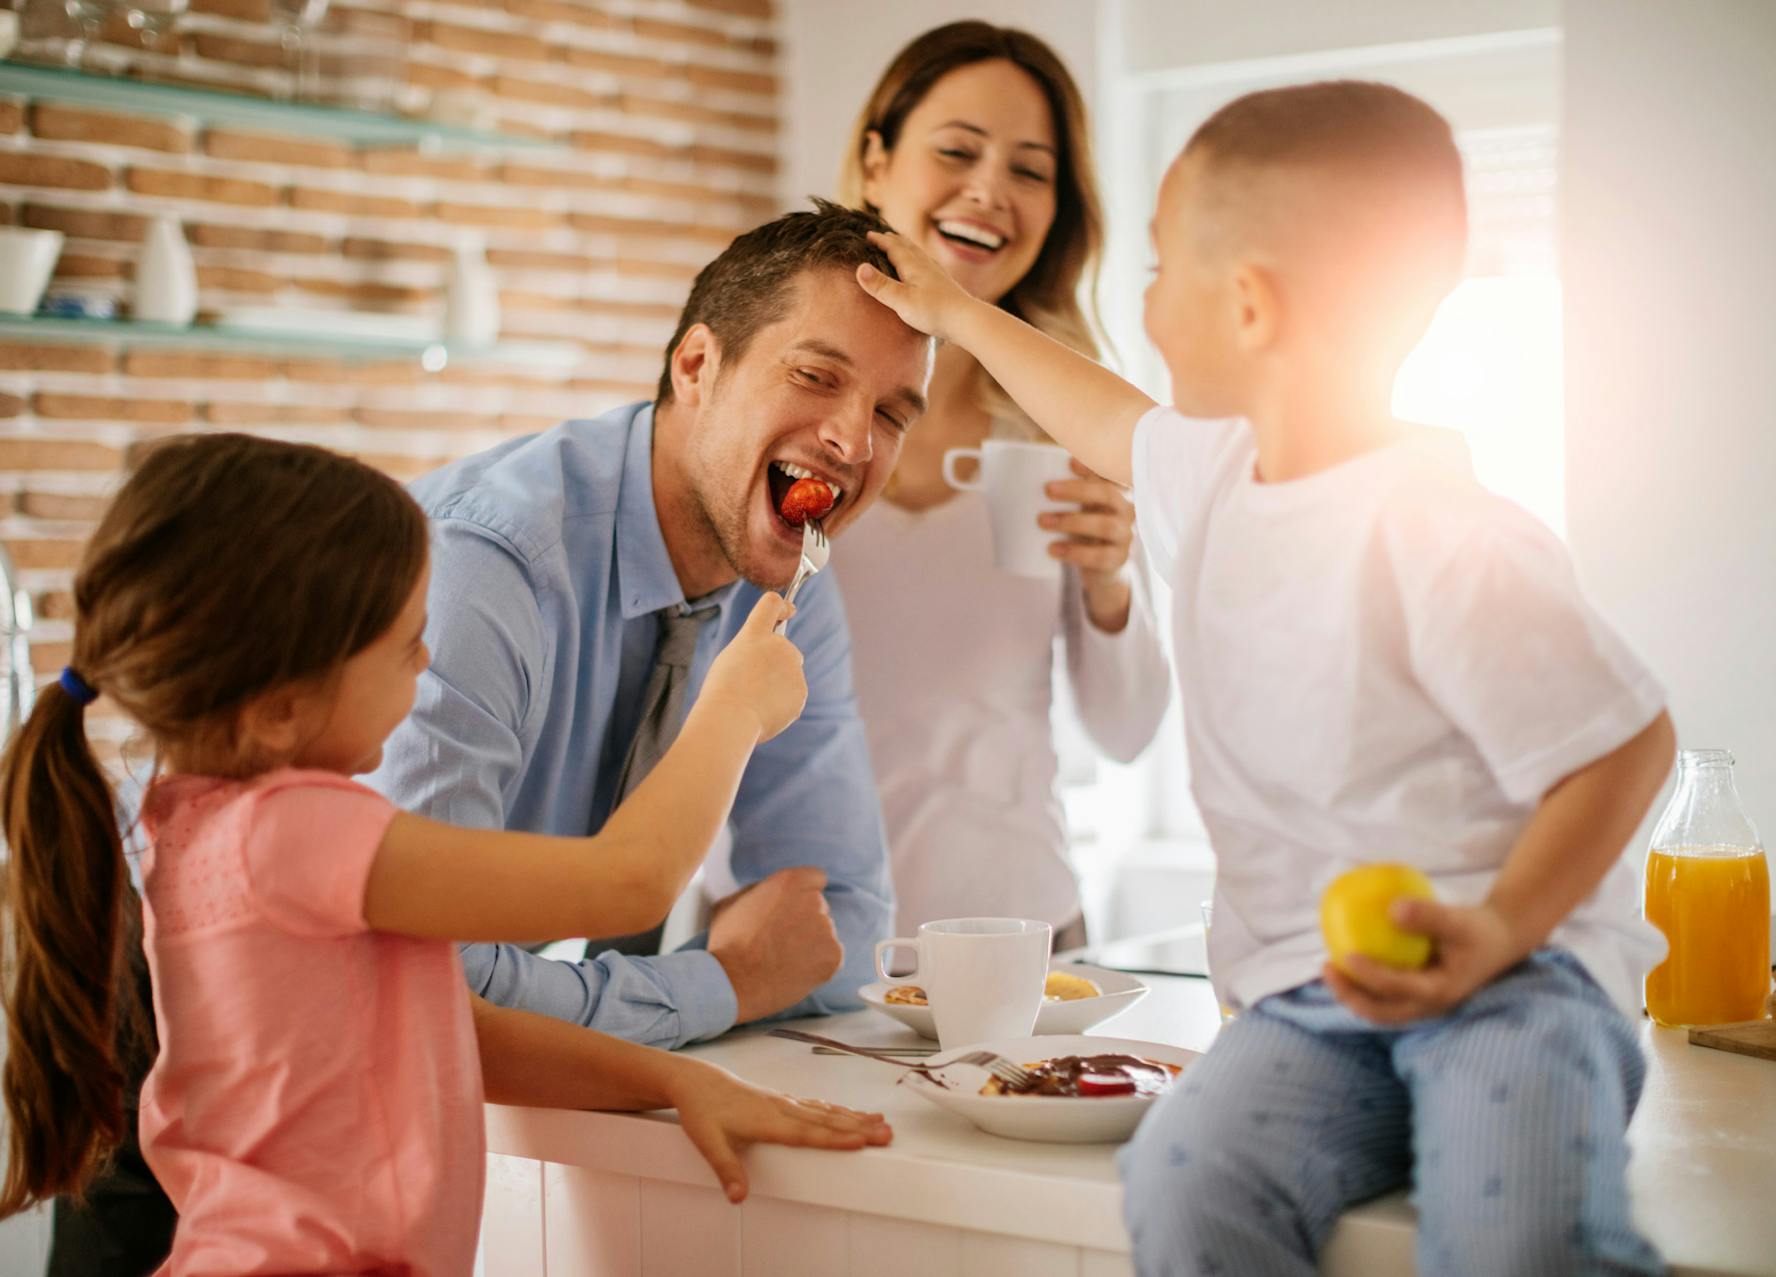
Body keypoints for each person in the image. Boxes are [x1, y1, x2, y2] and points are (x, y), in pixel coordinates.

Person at [858, 80, 1673, 1275]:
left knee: (1519, 1233)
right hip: (1306, 1002)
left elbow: (1625, 743)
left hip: (1520, 989)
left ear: (1246, 305)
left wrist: (1502, 927)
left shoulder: (1441, 530)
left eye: (1157, 271)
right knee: (1188, 1178)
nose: (1141, 304)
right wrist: (955, 316)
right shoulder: (1218, 477)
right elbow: (1095, 409)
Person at [0, 433, 891, 1273]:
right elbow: (628, 881)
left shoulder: (196, 827)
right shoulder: (302, 832)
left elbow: (448, 1027)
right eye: (406, 641)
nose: (425, 665)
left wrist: (675, 1078)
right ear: (282, 703)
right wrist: (733, 707)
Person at [370, 203, 929, 1043]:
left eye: (891, 413)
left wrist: (728, 978)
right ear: (697, 365)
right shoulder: (483, 566)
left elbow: (835, 924)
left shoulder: (792, 584)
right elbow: (426, 978)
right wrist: (721, 982)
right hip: (170, 1036)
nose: (854, 439)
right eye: (817, 376)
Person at [829, 21, 1169, 943]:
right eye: (956, 150)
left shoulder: (1072, 423)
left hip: (1027, 939)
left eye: (1030, 168)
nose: (990, 189)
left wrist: (1110, 584)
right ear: (875, 162)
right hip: (794, 942)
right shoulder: (784, 405)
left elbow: (1130, 732)